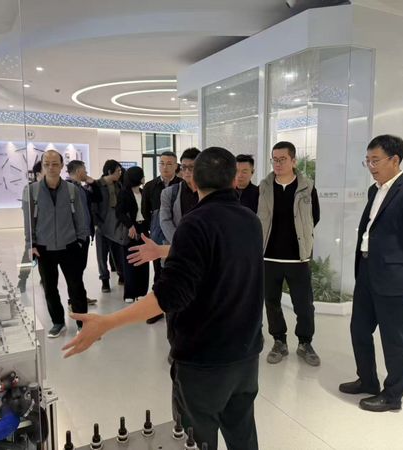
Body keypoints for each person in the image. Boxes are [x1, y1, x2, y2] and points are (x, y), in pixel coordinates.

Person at [64, 147, 264, 450]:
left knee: (195, 440)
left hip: (204, 360)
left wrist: (107, 322)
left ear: (193, 180)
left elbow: (167, 296)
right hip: (246, 355)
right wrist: (165, 250)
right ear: (233, 179)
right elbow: (219, 252)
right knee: (243, 434)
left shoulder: (195, 223)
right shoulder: (250, 221)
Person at [339, 135, 403, 412]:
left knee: (393, 337)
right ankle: (367, 380)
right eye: (367, 161)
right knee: (359, 329)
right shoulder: (375, 190)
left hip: (393, 277)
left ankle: (393, 395)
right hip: (367, 271)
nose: (371, 166)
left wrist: (399, 262)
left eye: (375, 160)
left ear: (395, 160)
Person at [258, 141, 321, 366]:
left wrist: (303, 238)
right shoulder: (264, 186)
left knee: (304, 305)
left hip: (298, 258)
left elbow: (315, 216)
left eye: (282, 159)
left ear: (293, 161)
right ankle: (279, 341)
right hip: (269, 256)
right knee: (271, 302)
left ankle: (305, 343)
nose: (277, 163)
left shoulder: (307, 187)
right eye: (274, 159)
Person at [22, 150, 90, 337]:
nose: (50, 168)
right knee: (49, 288)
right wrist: (30, 244)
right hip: (44, 248)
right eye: (46, 164)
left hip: (70, 245)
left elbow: (80, 218)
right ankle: (58, 322)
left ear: (61, 166)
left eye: (54, 164)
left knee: (76, 286)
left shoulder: (72, 190)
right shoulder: (32, 190)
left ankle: (83, 323)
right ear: (42, 166)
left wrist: (80, 241)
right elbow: (28, 221)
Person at [149, 147, 200, 324]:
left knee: (198, 301)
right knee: (173, 299)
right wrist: (181, 245)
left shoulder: (209, 192)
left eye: (192, 167)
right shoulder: (169, 193)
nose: (187, 171)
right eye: (184, 167)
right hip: (175, 252)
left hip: (201, 255)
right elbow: (164, 220)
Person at [141, 151, 181, 282]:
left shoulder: (182, 185)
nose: (165, 167)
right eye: (162, 163)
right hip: (157, 232)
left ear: (176, 166)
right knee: (158, 268)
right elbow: (145, 210)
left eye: (169, 164)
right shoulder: (150, 186)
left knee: (176, 265)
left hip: (177, 231)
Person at [67, 160, 102, 306]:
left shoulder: (82, 189)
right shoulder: (67, 188)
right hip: (75, 237)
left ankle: (79, 297)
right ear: (78, 171)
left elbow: (98, 198)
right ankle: (75, 300)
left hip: (85, 234)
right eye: (84, 170)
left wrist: (93, 183)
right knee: (75, 270)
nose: (86, 173)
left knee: (79, 269)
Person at [116, 166, 150, 303]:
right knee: (130, 261)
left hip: (143, 228)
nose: (144, 178)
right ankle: (129, 293)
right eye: (142, 175)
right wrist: (130, 225)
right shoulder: (124, 193)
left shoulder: (144, 192)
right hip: (131, 229)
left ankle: (142, 291)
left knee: (144, 260)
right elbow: (119, 212)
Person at [92, 160, 126, 293]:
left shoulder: (119, 185)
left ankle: (121, 274)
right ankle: (104, 280)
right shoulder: (96, 185)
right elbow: (93, 206)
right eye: (118, 171)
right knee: (101, 255)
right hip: (102, 225)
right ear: (109, 171)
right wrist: (96, 223)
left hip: (117, 224)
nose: (120, 173)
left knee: (118, 253)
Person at [18, 161, 43, 293]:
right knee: (29, 256)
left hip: (48, 232)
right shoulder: (30, 189)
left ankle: (44, 279)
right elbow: (27, 215)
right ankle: (22, 280)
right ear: (38, 173)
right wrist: (30, 239)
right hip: (35, 230)